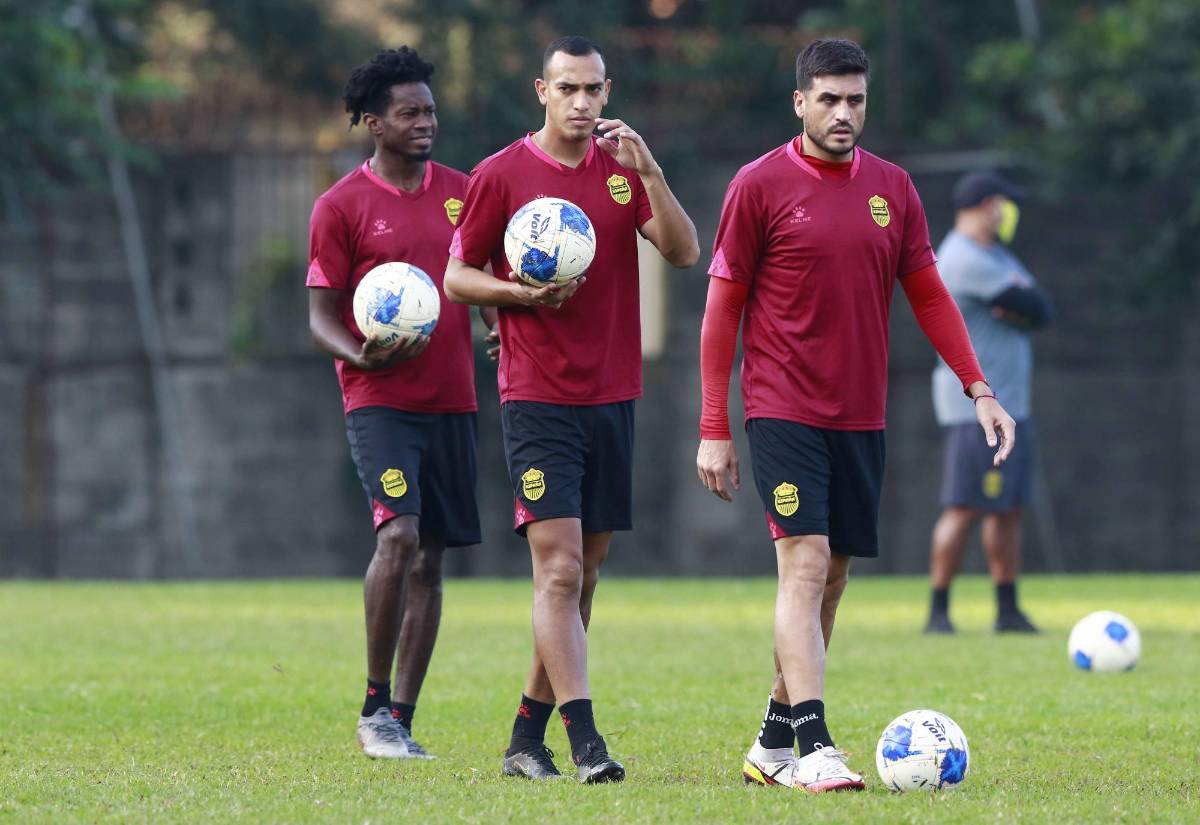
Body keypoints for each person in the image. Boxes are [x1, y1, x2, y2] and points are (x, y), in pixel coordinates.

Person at [695, 38, 1017, 792]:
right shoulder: (758, 185)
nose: (844, 113)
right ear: (799, 103)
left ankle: (771, 743)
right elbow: (721, 310)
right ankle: (814, 743)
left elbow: (929, 295)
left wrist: (979, 387)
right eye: (829, 99)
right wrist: (714, 425)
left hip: (860, 415)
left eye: (856, 100)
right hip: (781, 407)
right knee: (804, 563)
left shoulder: (893, 188)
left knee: (832, 577)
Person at [444, 35, 699, 783]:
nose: (582, 103)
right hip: (536, 396)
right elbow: (457, 276)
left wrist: (651, 172)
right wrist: (518, 295)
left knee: (583, 577)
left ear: (607, 92)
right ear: (542, 91)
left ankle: (525, 738)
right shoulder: (500, 174)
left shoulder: (623, 172)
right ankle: (586, 743)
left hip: (613, 395)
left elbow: (684, 252)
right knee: (557, 570)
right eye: (568, 89)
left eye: (593, 90)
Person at [306, 47, 495, 760]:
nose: (426, 123)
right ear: (374, 123)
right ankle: (372, 706)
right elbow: (320, 315)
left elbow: (480, 278)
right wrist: (357, 355)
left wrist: (497, 326)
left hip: (453, 401)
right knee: (399, 536)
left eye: (431, 111)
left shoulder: (464, 193)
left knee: (430, 559)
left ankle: (401, 719)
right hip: (379, 401)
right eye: (409, 113)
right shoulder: (340, 206)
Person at [925, 171, 1055, 635]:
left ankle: (1007, 610)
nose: (1006, 213)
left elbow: (1040, 307)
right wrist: (1024, 308)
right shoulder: (963, 257)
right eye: (1003, 203)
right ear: (985, 206)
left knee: (1007, 509)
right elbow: (1034, 306)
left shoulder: (998, 255)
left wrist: (1025, 307)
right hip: (976, 410)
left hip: (1011, 405)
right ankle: (938, 612)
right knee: (963, 507)